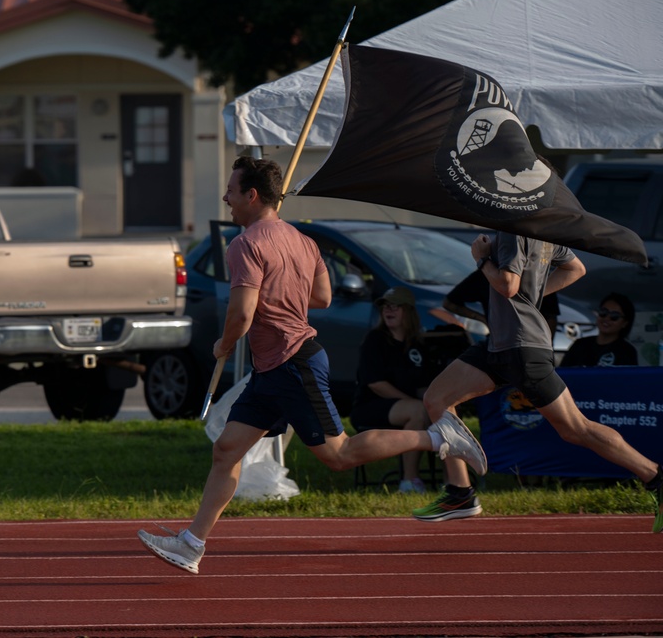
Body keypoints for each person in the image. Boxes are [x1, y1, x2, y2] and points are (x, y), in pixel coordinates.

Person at [136, 156, 487, 574]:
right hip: (273, 368)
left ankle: (437, 438)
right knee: (226, 449)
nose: (227, 199)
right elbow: (320, 297)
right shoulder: (302, 241)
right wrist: (280, 290)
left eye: (231, 191)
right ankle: (191, 544)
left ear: (252, 195)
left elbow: (241, 315)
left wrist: (224, 344)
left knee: (339, 455)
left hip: (292, 362)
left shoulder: (244, 244)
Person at [415, 232, 662, 533]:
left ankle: (654, 476)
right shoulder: (541, 232)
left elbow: (507, 285)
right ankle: (460, 493)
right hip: (499, 346)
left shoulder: (510, 230)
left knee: (576, 429)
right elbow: (576, 269)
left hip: (522, 349)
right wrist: (530, 297)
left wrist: (481, 259)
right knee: (437, 398)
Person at [350, 286, 434, 493]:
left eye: (395, 306)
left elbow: (423, 386)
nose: (389, 310)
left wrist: (438, 401)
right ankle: (409, 481)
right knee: (417, 411)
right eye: (386, 306)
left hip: (406, 406)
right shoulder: (375, 340)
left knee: (442, 410)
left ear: (409, 311)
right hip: (371, 406)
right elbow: (376, 384)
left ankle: (454, 481)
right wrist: (411, 403)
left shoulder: (418, 344)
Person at [444, 268, 560, 337]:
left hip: (500, 342)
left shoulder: (487, 273)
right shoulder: (537, 276)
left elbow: (449, 303)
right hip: (528, 343)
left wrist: (483, 319)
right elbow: (550, 317)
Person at [560, 292, 638, 367]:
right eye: (603, 312)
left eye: (614, 316)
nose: (607, 318)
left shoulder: (626, 351)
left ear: (625, 323)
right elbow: (562, 374)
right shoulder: (579, 345)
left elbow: (628, 379)